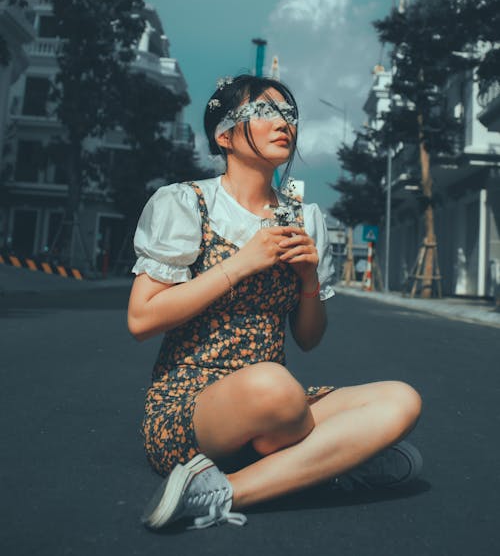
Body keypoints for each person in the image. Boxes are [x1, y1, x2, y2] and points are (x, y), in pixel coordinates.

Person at [127, 74, 423, 531]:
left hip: (278, 409)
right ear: (224, 135)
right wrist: (243, 263)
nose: (283, 122)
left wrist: (307, 276)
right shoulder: (187, 203)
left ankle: (220, 490)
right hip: (192, 405)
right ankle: (329, 463)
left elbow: (308, 339)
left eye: (288, 113)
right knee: (274, 386)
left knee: (401, 401)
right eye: (264, 111)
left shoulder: (303, 218)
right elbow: (142, 318)